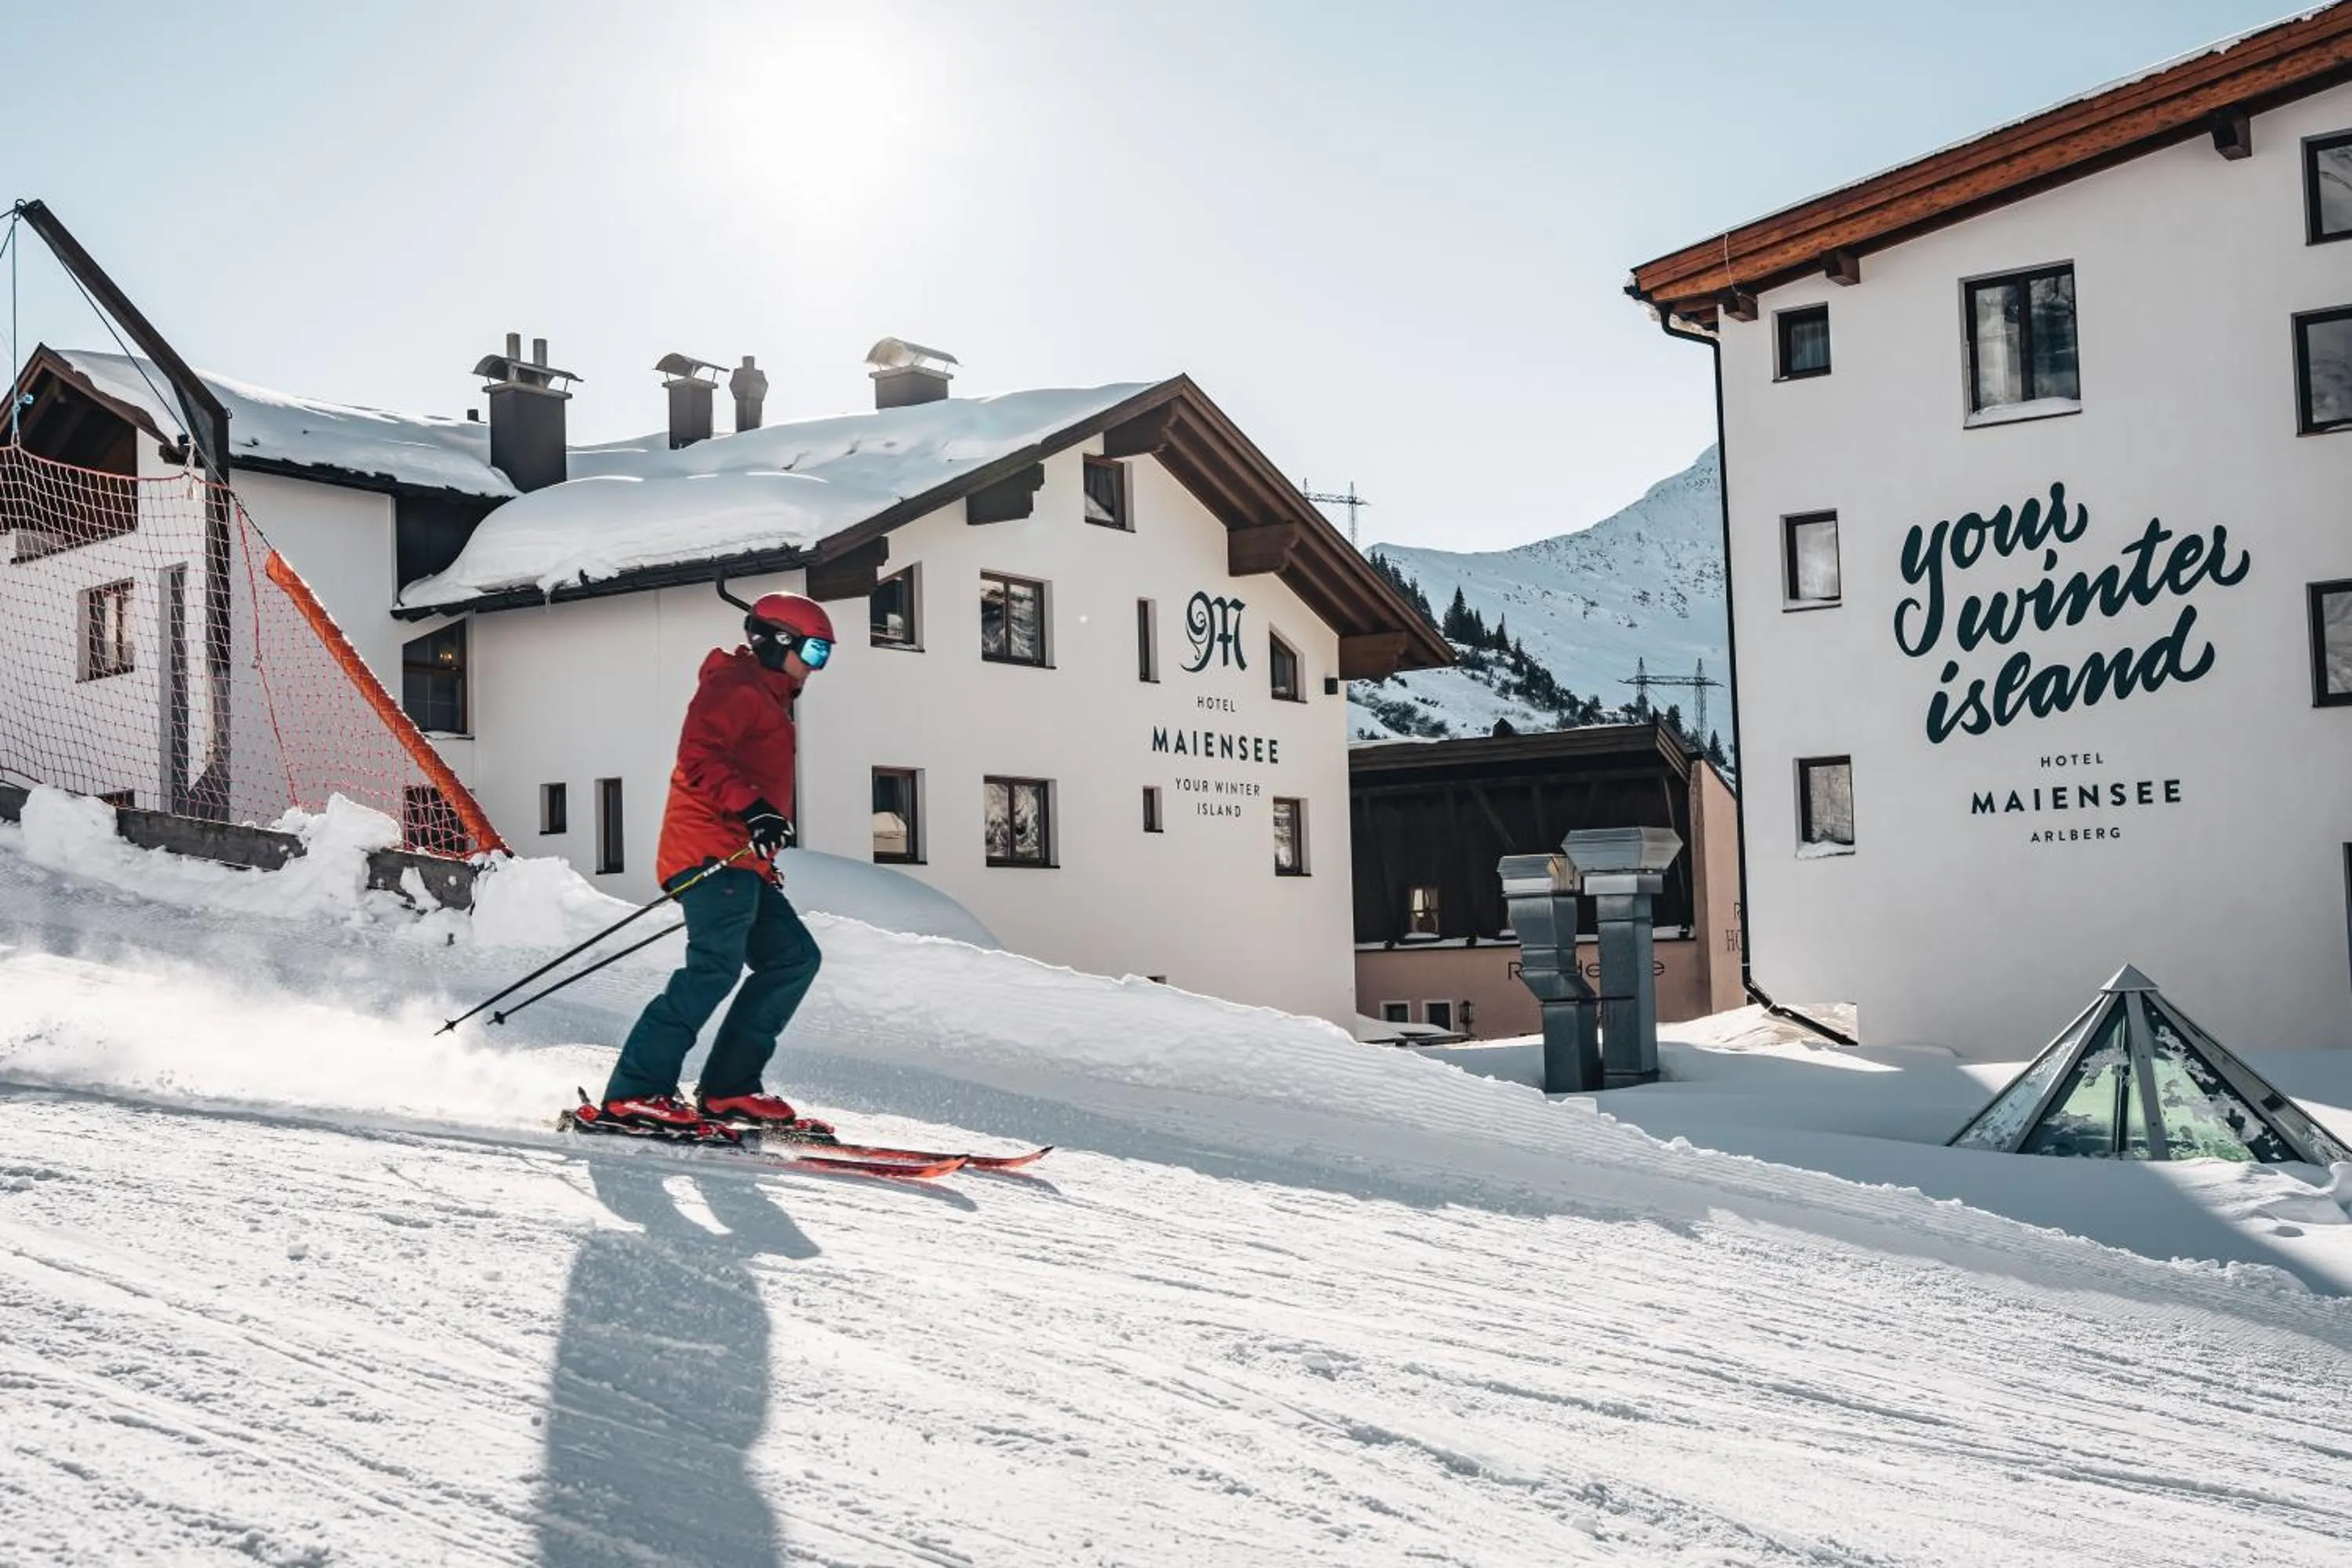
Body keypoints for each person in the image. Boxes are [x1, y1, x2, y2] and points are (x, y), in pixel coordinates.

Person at [598, 593, 833, 1132]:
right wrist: (753, 810)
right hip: (705, 850)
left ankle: (730, 1089)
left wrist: (762, 841)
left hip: (740, 859)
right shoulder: (736, 686)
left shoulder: (768, 696)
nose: (817, 667)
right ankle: (635, 1091)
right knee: (714, 967)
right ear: (779, 643)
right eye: (815, 652)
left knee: (792, 958)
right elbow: (699, 755)